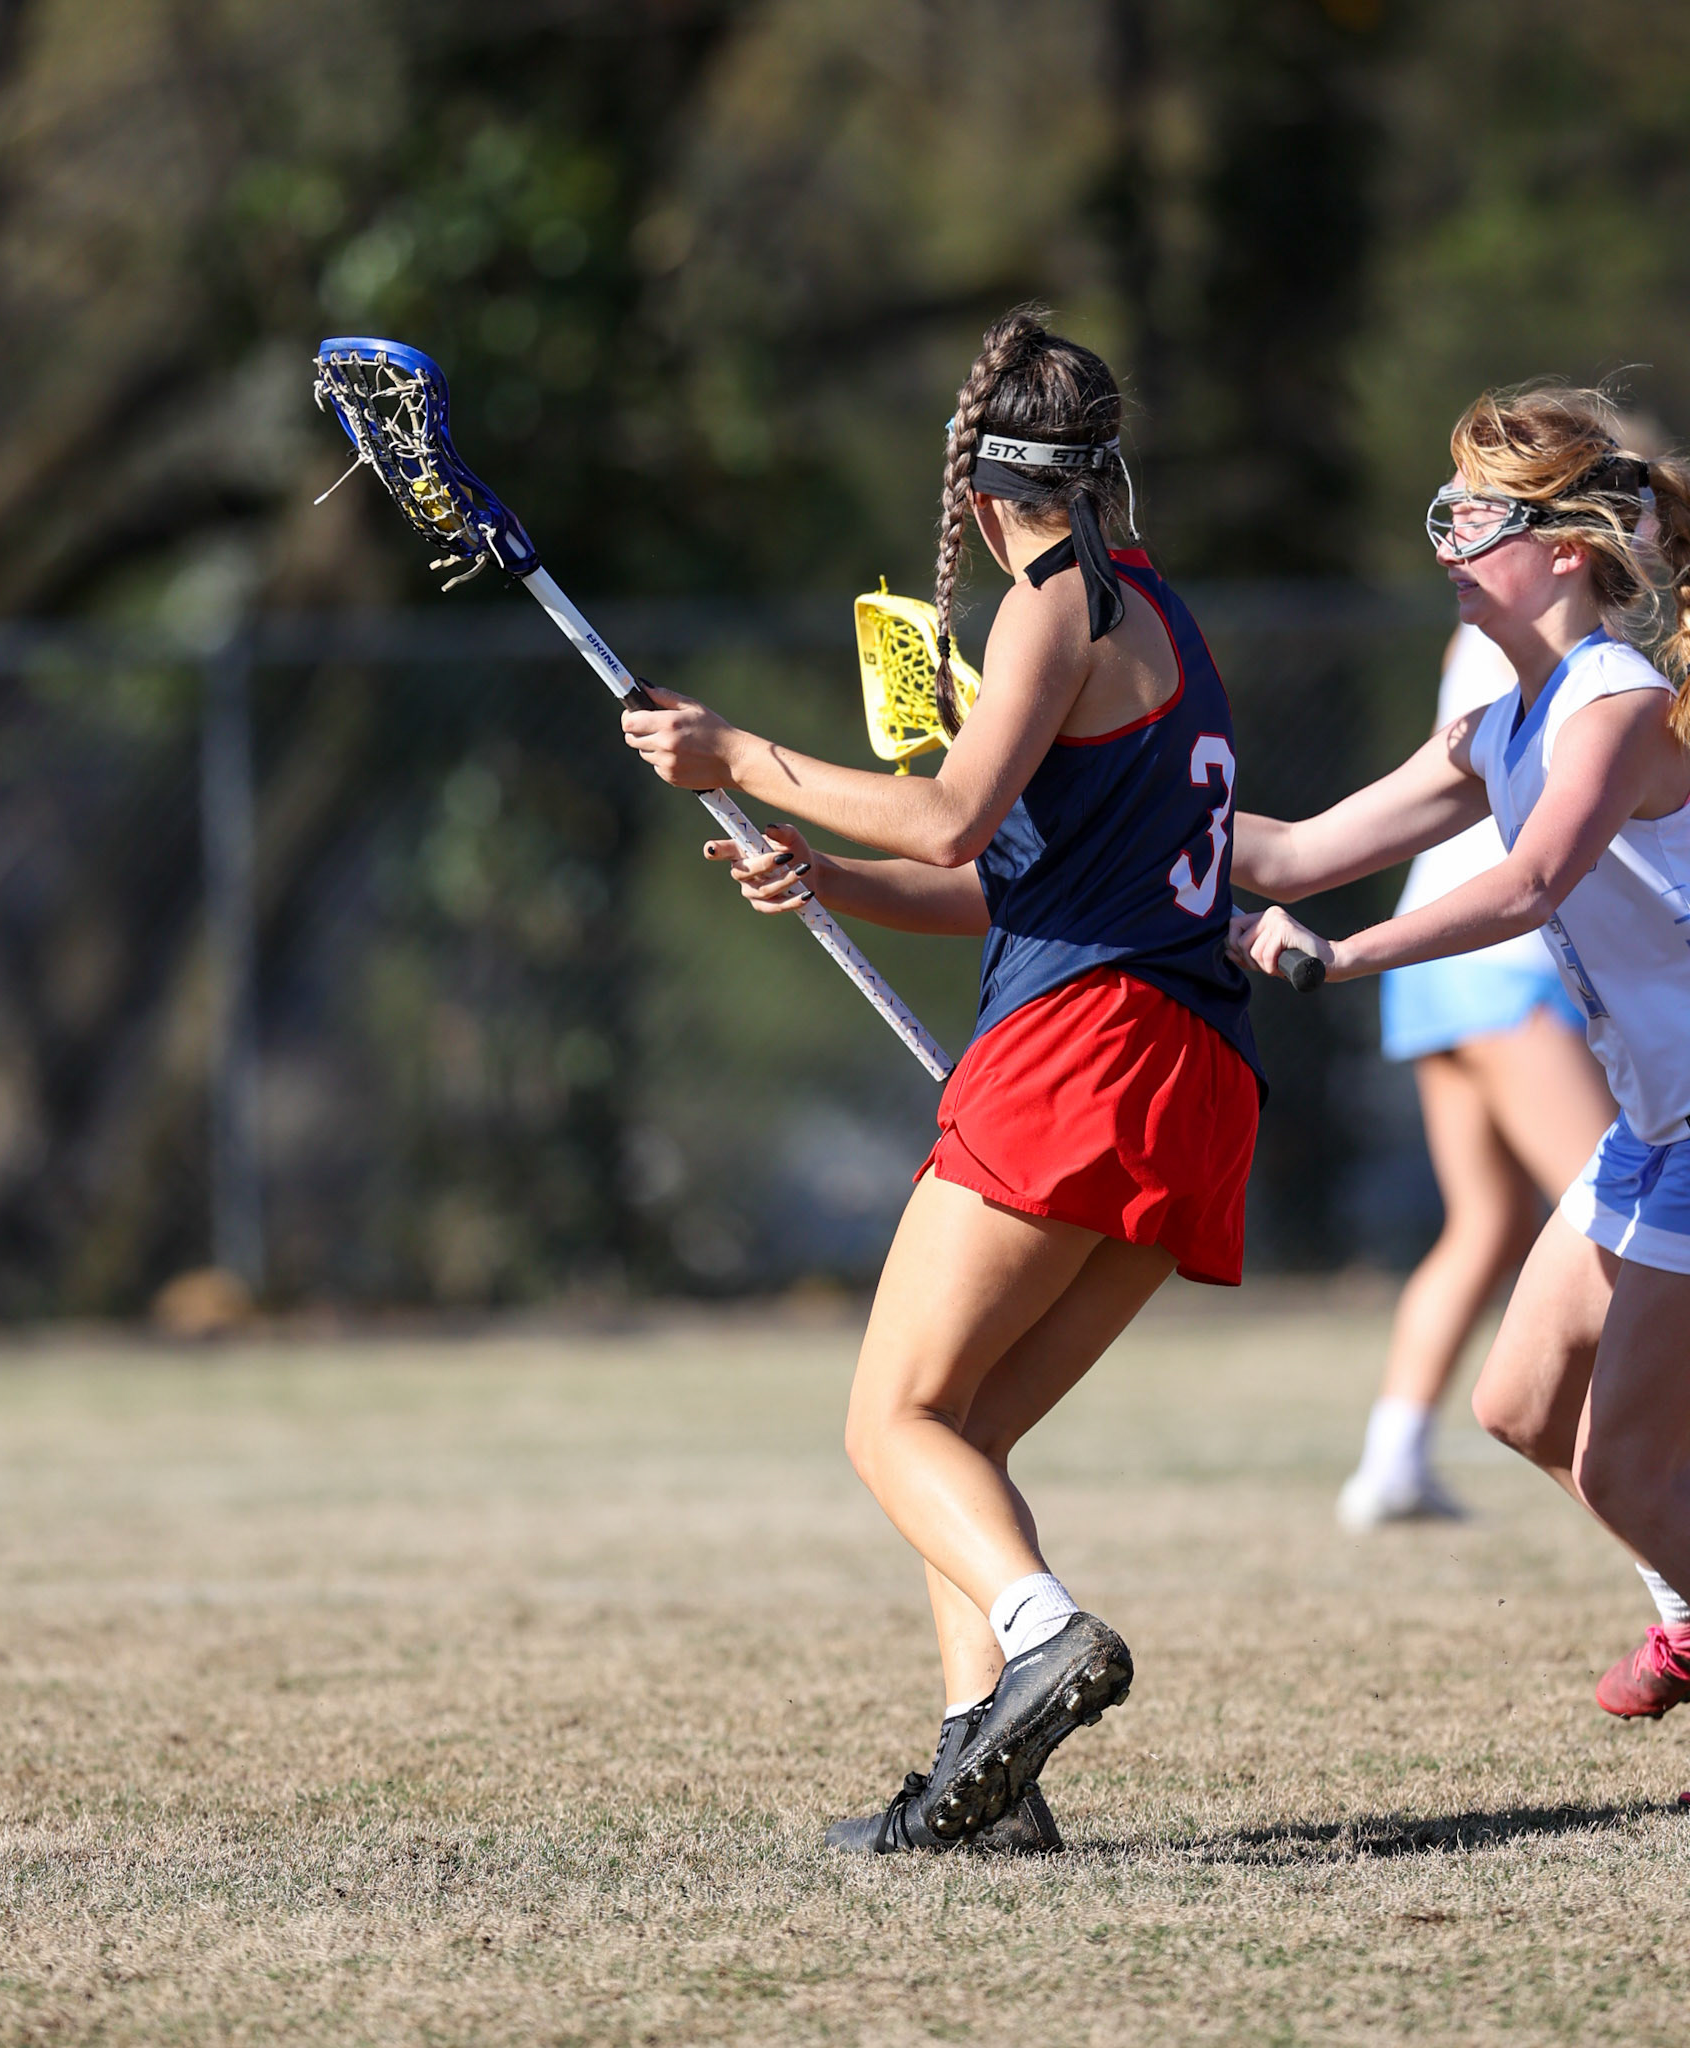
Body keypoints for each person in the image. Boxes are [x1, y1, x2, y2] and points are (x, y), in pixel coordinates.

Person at [621, 308, 1265, 1851]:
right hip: (1193, 1067)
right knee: (955, 1431)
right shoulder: (1151, 604)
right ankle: (993, 1788)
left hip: (1084, 1053)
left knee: (886, 1424)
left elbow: (954, 819)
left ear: (982, 492)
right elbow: (1009, 879)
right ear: (1106, 472)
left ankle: (1044, 1637)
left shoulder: (1049, 606)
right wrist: (827, 880)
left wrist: (739, 752)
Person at [1231, 382, 1690, 1723]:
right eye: (1442, 513)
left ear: (1564, 544)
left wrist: (1343, 954)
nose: (1443, 547)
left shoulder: (1616, 700)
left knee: (1619, 1467)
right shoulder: (1497, 727)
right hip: (1653, 1127)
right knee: (1519, 1407)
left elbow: (1534, 880)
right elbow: (1295, 852)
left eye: (1472, 517)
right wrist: (1086, 789)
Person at [1338, 623, 1613, 1530]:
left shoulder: (1482, 633)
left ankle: (1392, 1461)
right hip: (1503, 961)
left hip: (1431, 957)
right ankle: (1645, 1461)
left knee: (1487, 1226)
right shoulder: (1562, 645)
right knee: (1628, 1225)